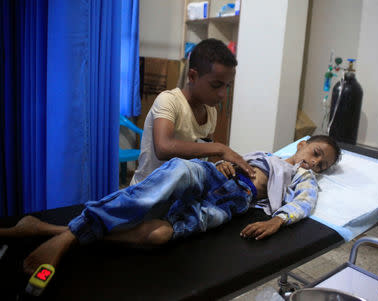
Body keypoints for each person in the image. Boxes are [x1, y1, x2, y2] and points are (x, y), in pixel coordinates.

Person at [0, 135, 341, 275]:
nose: (314, 163)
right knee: (178, 170)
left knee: (159, 234)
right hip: (213, 177)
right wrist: (224, 163)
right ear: (304, 143)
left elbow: (305, 203)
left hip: (228, 204)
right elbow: (231, 160)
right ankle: (69, 233)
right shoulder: (266, 155)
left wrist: (278, 221)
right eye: (315, 153)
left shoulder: (302, 179)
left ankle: (51, 230)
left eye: (322, 164)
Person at [131, 38, 255, 185]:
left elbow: (200, 153)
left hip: (178, 193)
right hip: (148, 193)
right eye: (216, 85)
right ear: (192, 76)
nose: (223, 94)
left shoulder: (211, 112)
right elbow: (163, 147)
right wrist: (219, 148)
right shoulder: (169, 101)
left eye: (227, 86)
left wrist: (217, 164)